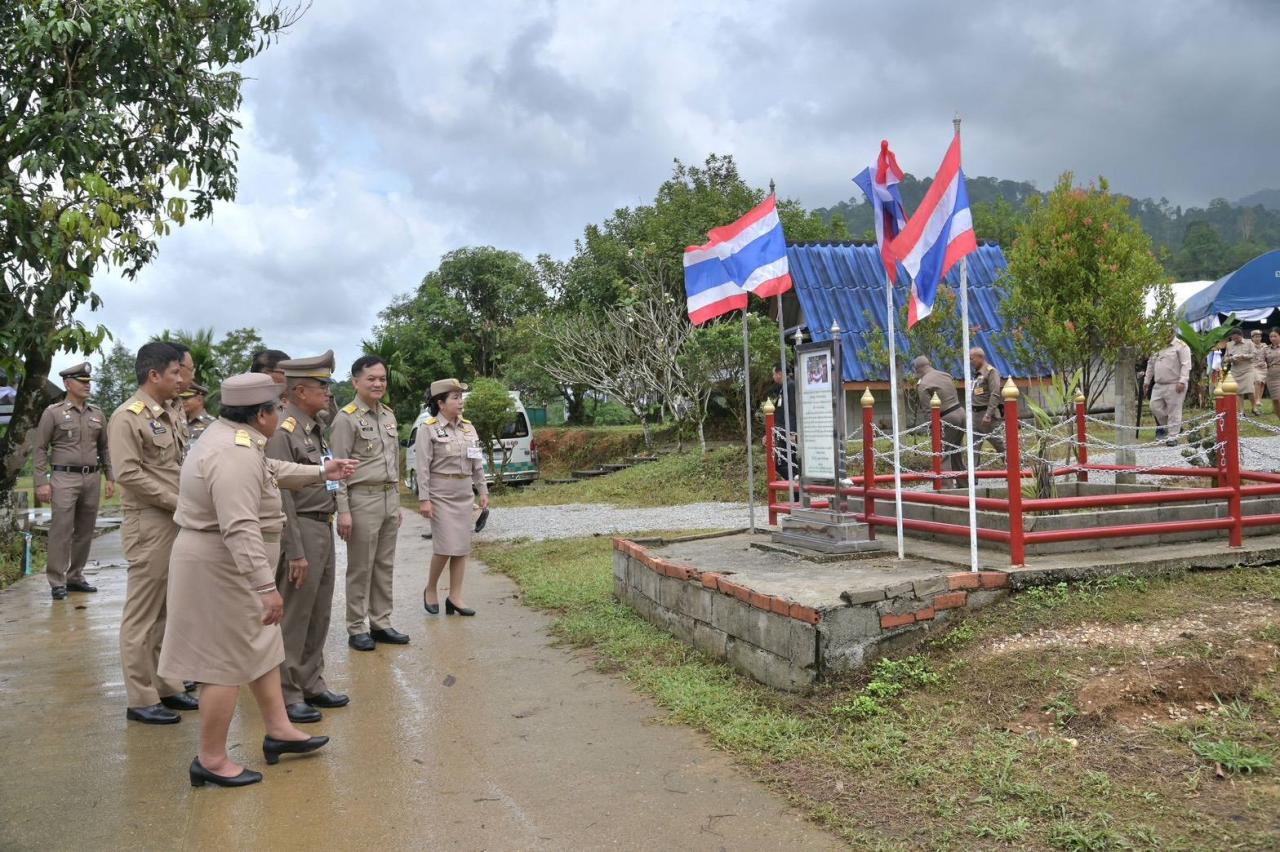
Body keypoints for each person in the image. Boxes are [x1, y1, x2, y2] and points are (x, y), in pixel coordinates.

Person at [157, 373, 356, 788]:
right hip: (222, 566)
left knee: (264, 646)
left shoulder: (235, 438)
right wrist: (266, 587)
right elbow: (239, 526)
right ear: (263, 414)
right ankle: (210, 759)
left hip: (228, 562)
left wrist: (322, 472)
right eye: (277, 408)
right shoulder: (233, 454)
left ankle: (279, 729)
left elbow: (270, 470)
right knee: (223, 663)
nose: (281, 414)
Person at [107, 342, 197, 724]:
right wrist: (175, 502)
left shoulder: (169, 413)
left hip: (173, 518)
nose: (182, 379)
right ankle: (141, 697)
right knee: (143, 611)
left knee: (167, 607)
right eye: (176, 373)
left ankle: (167, 684)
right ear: (154, 374)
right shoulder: (127, 417)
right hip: (149, 521)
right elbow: (127, 474)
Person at [265, 351, 349, 724]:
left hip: (323, 525)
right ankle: (287, 691)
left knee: (319, 611)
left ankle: (312, 680)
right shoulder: (284, 432)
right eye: (322, 385)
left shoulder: (313, 427)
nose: (328, 392)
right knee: (296, 615)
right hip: (301, 528)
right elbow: (282, 497)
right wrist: (294, 550)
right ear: (299, 391)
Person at [330, 355, 408, 651]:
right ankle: (356, 627)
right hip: (361, 499)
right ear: (355, 382)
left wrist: (398, 501)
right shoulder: (346, 418)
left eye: (382, 379)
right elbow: (336, 470)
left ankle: (381, 622)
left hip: (388, 497)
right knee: (361, 567)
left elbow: (393, 463)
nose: (378, 384)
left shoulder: (388, 415)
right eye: (371, 379)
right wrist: (344, 511)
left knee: (384, 565)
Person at [32, 362, 114, 600]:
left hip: (91, 477)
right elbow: (40, 448)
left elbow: (105, 448)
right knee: (62, 530)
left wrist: (110, 476)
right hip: (63, 477)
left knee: (86, 531)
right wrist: (41, 482)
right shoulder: (53, 412)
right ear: (68, 384)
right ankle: (57, 580)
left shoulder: (97, 414)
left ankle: (75, 576)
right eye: (82, 382)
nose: (87, 386)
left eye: (89, 382)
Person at [415, 379, 490, 616]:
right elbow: (422, 467)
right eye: (455, 398)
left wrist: (483, 490)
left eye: (461, 397)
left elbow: (477, 462)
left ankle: (455, 596)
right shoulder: (428, 428)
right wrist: (424, 499)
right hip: (440, 495)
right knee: (445, 547)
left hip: (464, 494)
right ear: (441, 402)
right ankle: (430, 588)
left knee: (462, 547)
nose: (460, 402)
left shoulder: (469, 428)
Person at [912, 356, 966, 486]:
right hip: (961, 413)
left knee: (942, 454)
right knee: (956, 452)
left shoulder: (923, 384)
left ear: (917, 370)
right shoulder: (945, 375)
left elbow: (928, 410)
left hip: (947, 418)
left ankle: (946, 488)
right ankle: (964, 484)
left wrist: (932, 428)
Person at [1144, 333, 1192, 445]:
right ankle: (1175, 428)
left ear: (1173, 332)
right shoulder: (1156, 346)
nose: (1166, 334)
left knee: (1174, 410)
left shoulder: (1181, 346)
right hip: (1159, 384)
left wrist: (1182, 381)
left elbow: (1186, 365)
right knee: (1154, 406)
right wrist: (1147, 381)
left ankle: (1172, 437)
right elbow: (1150, 364)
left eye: (1169, 331)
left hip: (1175, 384)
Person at [967, 348, 1004, 457]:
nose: (970, 361)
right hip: (975, 415)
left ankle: (1016, 469)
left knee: (999, 445)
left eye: (972, 359)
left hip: (987, 416)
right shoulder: (976, 374)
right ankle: (974, 473)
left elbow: (995, 393)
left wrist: (988, 414)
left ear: (980, 357)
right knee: (974, 448)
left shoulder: (991, 372)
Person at [767, 366, 797, 480]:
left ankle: (798, 487)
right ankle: (796, 492)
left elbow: (792, 410)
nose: (773, 377)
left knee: (784, 463)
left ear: (779, 373)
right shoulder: (783, 388)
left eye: (774, 374)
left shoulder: (790, 386)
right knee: (783, 463)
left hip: (788, 432)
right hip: (781, 432)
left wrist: (792, 432)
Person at [1225, 328, 1257, 408]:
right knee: (1238, 392)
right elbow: (1225, 359)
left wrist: (1244, 356)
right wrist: (1231, 359)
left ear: (1241, 336)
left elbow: (1254, 355)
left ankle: (1254, 407)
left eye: (1236, 338)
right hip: (1235, 370)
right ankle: (1241, 411)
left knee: (1250, 390)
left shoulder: (1249, 342)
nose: (1235, 340)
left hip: (1247, 370)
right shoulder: (1229, 344)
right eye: (1233, 338)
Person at [1251, 330, 1268, 414]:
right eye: (1256, 336)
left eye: (1259, 336)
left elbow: (1268, 355)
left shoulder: (1265, 345)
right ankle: (1256, 399)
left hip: (1263, 367)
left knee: (1262, 383)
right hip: (1254, 366)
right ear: (1252, 338)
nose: (1258, 338)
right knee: (1257, 381)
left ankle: (1258, 400)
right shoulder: (1250, 346)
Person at [1266, 328, 1280, 419]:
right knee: (1275, 400)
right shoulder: (1266, 349)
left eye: (1275, 336)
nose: (1273, 338)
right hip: (1271, 376)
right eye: (1271, 336)